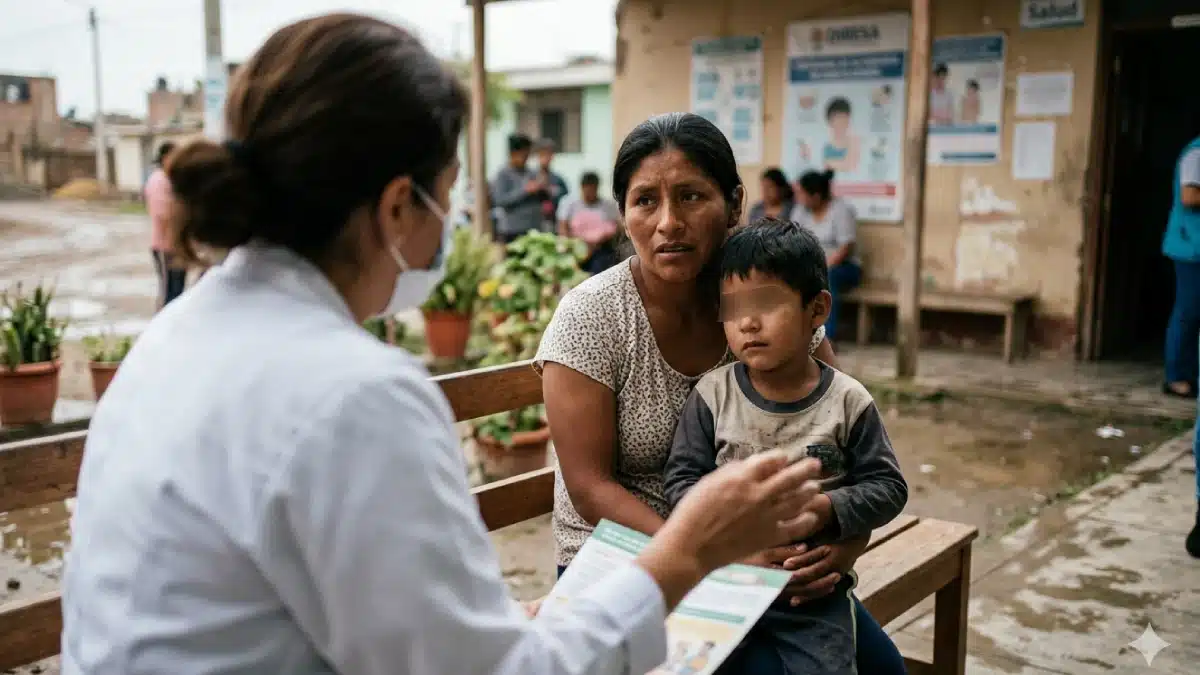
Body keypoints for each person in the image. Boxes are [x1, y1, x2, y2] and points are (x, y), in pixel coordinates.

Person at [59, 15, 827, 675]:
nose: (452, 217)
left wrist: (491, 622)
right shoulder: (353, 396)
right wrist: (690, 549)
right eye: (450, 192)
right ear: (398, 206)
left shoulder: (172, 341)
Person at [536, 111, 909, 675]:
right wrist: (711, 551)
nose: (668, 222)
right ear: (623, 214)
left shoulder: (763, 301)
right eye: (645, 201)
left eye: (690, 196)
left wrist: (841, 545)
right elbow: (590, 488)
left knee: (881, 669)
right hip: (624, 559)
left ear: (734, 205)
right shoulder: (592, 318)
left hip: (768, 556)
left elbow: (832, 419)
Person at [665, 220, 907, 674]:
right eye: (733, 309)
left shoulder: (847, 402)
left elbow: (888, 487)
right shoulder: (712, 396)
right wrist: (726, 537)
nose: (748, 323)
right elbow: (680, 481)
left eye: (767, 304)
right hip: (724, 579)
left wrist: (826, 510)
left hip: (810, 596)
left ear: (816, 310)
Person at [793, 169, 861, 342]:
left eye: (802, 194)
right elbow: (792, 240)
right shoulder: (800, 211)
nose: (798, 198)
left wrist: (822, 268)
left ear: (815, 196)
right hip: (811, 266)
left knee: (827, 279)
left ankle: (826, 338)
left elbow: (846, 247)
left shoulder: (841, 210)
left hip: (844, 267)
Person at [1163, 134, 1200, 400]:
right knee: (1188, 312)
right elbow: (1189, 196)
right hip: (1190, 246)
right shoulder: (1196, 154)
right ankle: (1176, 377)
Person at [144, 142, 186, 309]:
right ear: (164, 158)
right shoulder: (158, 180)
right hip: (165, 247)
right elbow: (164, 213)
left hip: (178, 247)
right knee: (169, 293)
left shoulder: (172, 178)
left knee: (178, 294)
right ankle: (160, 328)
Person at [557, 171, 622, 274]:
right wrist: (571, 245)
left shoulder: (607, 206)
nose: (590, 193)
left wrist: (598, 241)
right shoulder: (568, 203)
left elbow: (616, 227)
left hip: (600, 250)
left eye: (593, 190)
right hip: (575, 249)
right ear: (582, 188)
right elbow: (562, 227)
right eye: (587, 190)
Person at [490, 133, 544, 244]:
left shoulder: (532, 172)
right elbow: (499, 200)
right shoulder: (503, 174)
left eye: (528, 155)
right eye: (523, 155)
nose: (526, 159)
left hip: (533, 229)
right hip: (512, 231)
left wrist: (542, 189)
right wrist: (525, 190)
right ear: (512, 154)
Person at [536, 138, 570, 232]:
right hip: (534, 223)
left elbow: (566, 200)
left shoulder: (558, 180)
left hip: (554, 223)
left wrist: (551, 191)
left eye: (548, 154)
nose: (546, 158)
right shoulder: (531, 178)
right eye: (543, 154)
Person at [821, 98, 860, 174]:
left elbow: (851, 166)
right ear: (830, 121)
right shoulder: (826, 146)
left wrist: (832, 164)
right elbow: (826, 167)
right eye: (837, 118)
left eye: (844, 117)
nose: (841, 122)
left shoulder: (854, 141)